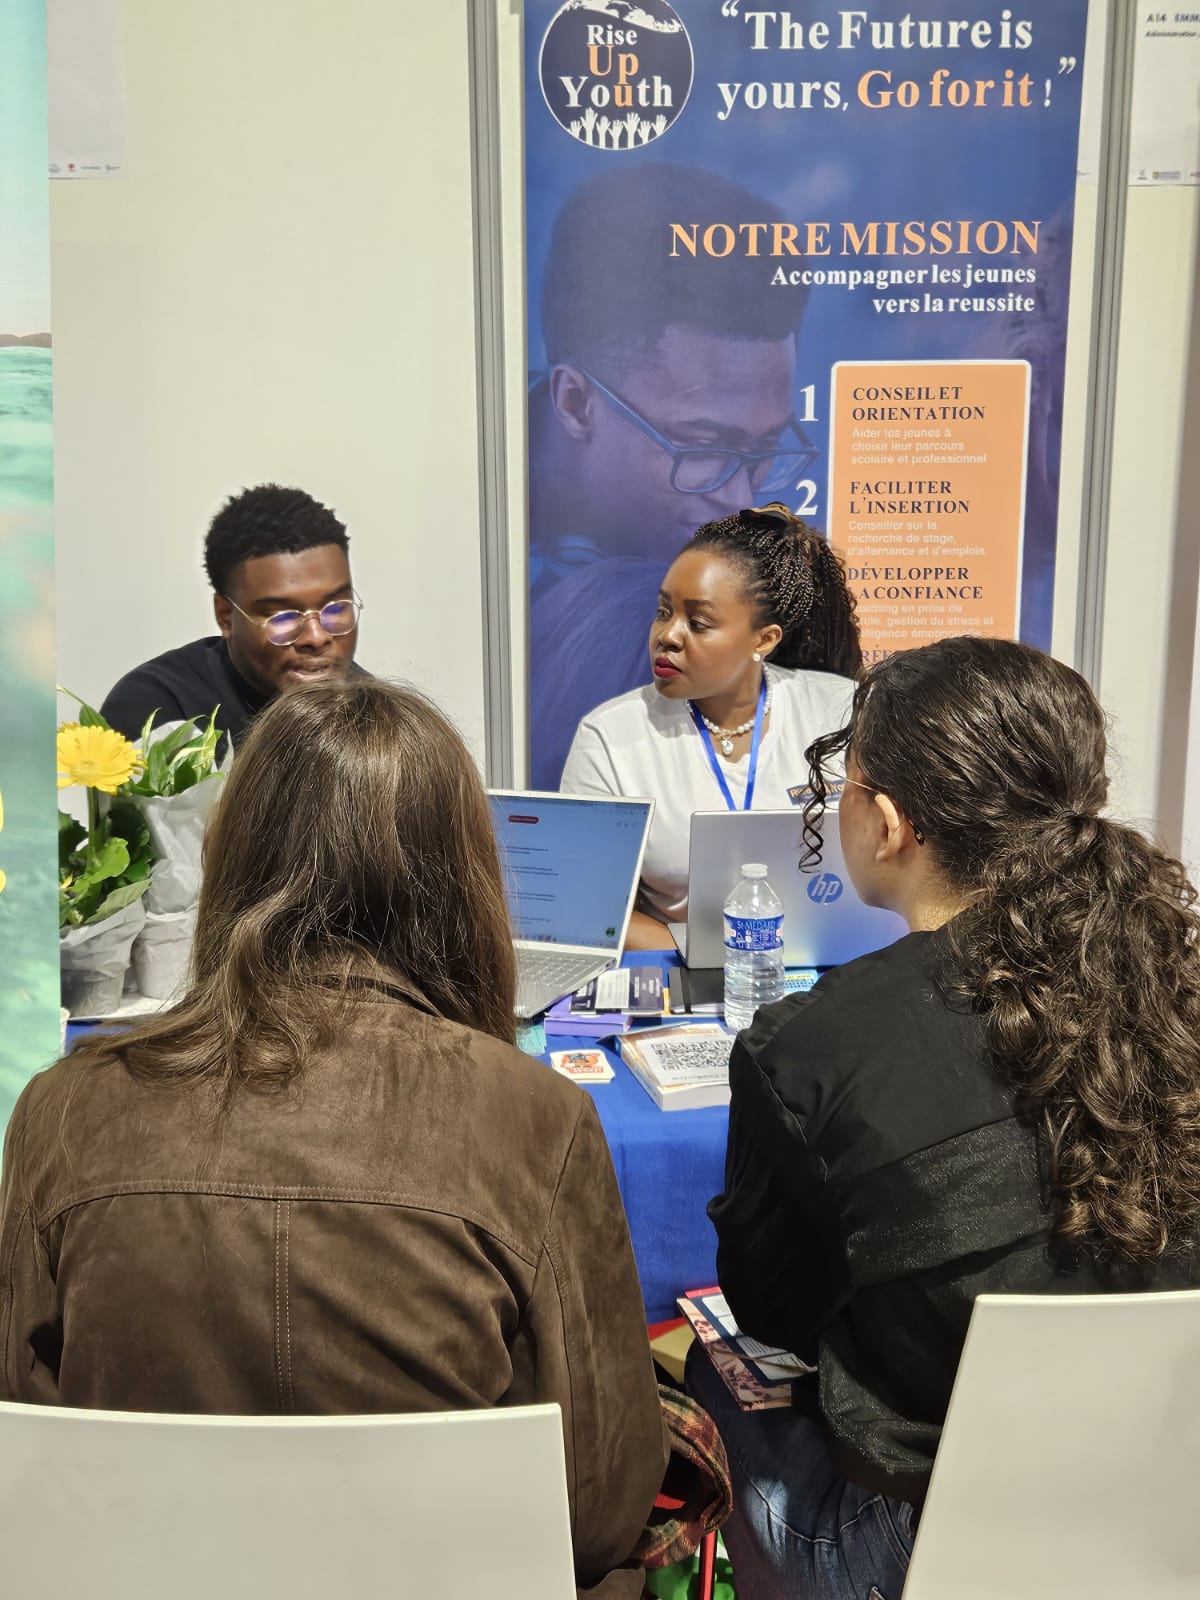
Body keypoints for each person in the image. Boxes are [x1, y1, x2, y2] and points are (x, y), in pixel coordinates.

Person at [0, 679, 670, 1598]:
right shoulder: (537, 1117)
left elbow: (26, 1446)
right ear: (463, 877)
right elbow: (599, 1510)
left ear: (236, 855)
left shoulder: (61, 1109)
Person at [698, 637, 1200, 1600]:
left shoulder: (809, 1050)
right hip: (1172, 1512)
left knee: (708, 1374)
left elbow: (774, 1316)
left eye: (844, 787)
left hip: (930, 1550)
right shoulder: (1173, 986)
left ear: (888, 823)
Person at [528, 162, 813, 788]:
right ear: (575, 402)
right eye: (704, 447)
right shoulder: (477, 550)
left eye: (764, 447)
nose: (738, 498)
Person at [561, 504, 861, 949]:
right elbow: (590, 905)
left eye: (698, 623)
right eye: (663, 611)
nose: (668, 635)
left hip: (833, 961)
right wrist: (705, 956)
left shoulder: (841, 710)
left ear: (764, 639)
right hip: (679, 967)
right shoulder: (609, 737)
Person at [100, 483, 364, 753]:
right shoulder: (159, 709)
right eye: (283, 617)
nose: (317, 637)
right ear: (225, 616)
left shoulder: (373, 711)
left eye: (336, 608)